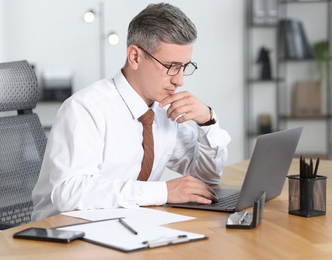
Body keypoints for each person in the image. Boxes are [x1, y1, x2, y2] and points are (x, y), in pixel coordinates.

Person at [31, 2, 231, 220]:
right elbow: (69, 193)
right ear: (135, 56)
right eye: (171, 67)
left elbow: (206, 180)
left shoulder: (163, 112)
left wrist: (207, 122)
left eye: (184, 67)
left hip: (127, 226)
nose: (179, 80)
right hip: (63, 235)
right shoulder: (85, 108)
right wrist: (163, 192)